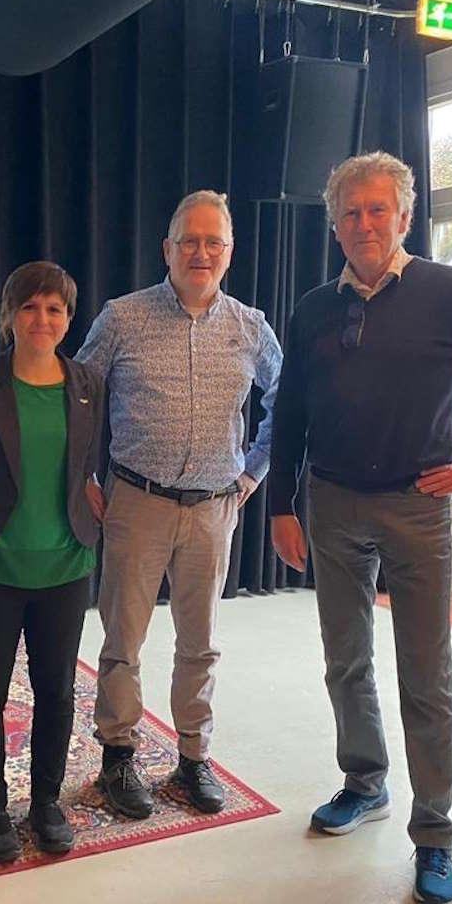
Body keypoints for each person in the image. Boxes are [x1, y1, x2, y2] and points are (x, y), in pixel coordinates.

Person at [268, 151, 452, 904]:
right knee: (345, 660)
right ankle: (364, 785)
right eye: (350, 212)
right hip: (331, 504)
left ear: (403, 216)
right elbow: (292, 411)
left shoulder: (451, 292)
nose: (364, 223)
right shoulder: (311, 308)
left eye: (377, 209)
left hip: (417, 507)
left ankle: (434, 837)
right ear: (334, 226)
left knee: (426, 678)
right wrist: (281, 505)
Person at [76, 190, 282, 818]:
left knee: (201, 643)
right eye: (188, 241)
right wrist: (85, 473)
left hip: (215, 508)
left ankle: (193, 759)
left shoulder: (252, 328)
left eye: (212, 241)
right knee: (123, 640)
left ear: (229, 252)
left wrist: (252, 475)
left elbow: (289, 404)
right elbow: (78, 396)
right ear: (166, 250)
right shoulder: (122, 318)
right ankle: (118, 755)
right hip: (137, 502)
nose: (200, 251)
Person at [0, 261, 103, 862]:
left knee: (56, 692)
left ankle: (45, 804)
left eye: (55, 308)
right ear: (9, 315)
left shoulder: (88, 382)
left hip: (65, 566)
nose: (43, 319)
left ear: (68, 318)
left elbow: (88, 461)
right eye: (30, 307)